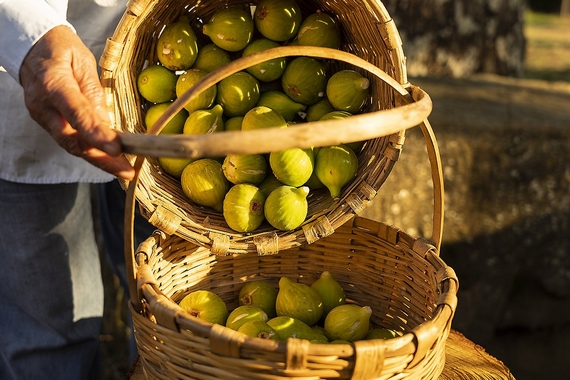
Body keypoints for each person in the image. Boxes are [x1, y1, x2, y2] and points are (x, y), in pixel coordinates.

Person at [0, 0, 154, 378]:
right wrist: (27, 32)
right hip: (20, 77)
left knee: (164, 307)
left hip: (167, 79)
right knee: (48, 333)